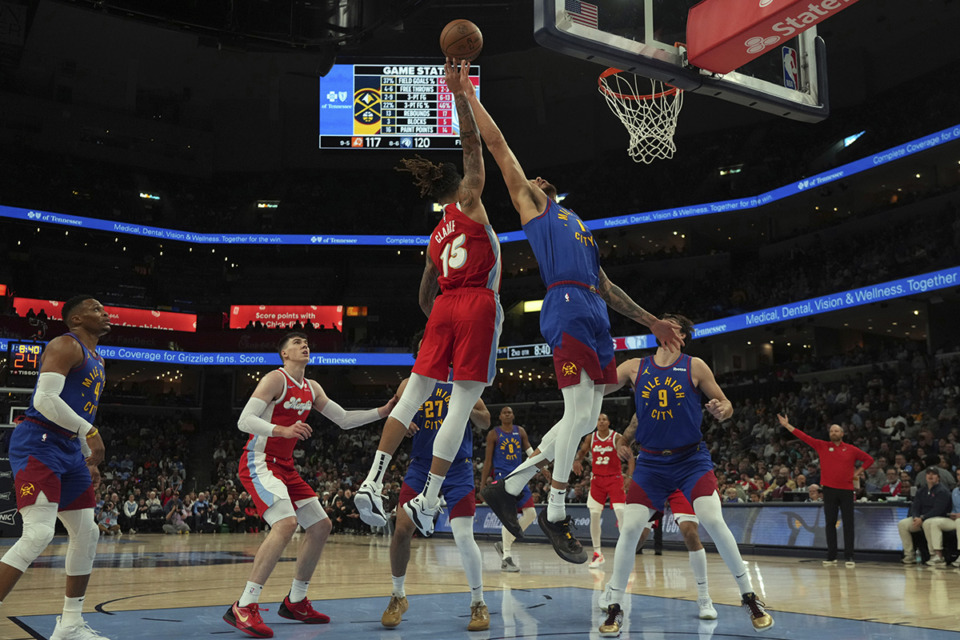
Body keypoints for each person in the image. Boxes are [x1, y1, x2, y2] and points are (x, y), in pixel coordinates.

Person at [460, 56, 683, 564]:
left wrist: (649, 320)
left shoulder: (578, 224)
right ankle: (556, 509)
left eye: (541, 179)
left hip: (593, 309)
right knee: (579, 412)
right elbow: (500, 149)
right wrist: (469, 97)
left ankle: (509, 486)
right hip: (563, 305)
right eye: (530, 180)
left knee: (586, 415)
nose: (534, 178)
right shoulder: (533, 208)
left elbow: (605, 284)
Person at [354, 59, 502, 538]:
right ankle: (432, 495)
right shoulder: (472, 199)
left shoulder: (434, 236)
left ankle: (373, 480)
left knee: (415, 393)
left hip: (441, 308)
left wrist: (442, 321)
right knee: (461, 402)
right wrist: (459, 92)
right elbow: (474, 143)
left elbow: (423, 294)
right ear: (457, 185)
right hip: (476, 302)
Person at [597, 314, 773, 636]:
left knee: (712, 518)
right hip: (650, 464)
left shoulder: (695, 366)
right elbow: (600, 386)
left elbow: (725, 403)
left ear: (681, 334)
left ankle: (749, 596)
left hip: (690, 460)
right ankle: (615, 605)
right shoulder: (635, 366)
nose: (659, 323)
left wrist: (724, 409)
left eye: (669, 322)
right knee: (631, 528)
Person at [223, 331, 397, 638]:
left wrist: (382, 412)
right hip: (259, 461)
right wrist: (282, 430)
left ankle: (296, 601)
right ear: (284, 354)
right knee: (286, 524)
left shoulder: (311, 387)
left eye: (306, 342)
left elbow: (342, 418)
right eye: (296, 343)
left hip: (286, 468)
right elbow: (244, 420)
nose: (304, 345)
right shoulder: (275, 380)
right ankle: (244, 604)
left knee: (320, 526)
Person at [0, 295, 111, 640]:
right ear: (75, 319)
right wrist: (89, 433)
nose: (104, 313)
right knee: (38, 533)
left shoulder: (98, 358)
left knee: (88, 532)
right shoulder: (66, 344)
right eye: (95, 309)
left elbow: (77, 411)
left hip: (67, 448)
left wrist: (84, 455)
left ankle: (70, 624)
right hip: (39, 442)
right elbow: (44, 400)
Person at [380, 372, 491, 632]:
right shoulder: (411, 384)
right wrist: (404, 422)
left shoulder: (462, 382)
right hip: (421, 466)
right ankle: (398, 596)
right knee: (401, 529)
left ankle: (478, 603)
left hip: (457, 467)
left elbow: (485, 421)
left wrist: (467, 410)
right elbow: (394, 413)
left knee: (463, 536)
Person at [776, 414, 874, 567]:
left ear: (842, 434)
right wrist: (788, 426)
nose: (833, 433)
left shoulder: (851, 449)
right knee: (830, 523)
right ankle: (831, 556)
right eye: (831, 431)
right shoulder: (822, 445)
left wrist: (857, 472)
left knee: (848, 523)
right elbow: (804, 437)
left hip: (846, 490)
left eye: (836, 431)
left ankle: (849, 556)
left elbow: (869, 459)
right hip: (829, 489)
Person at [634, 487, 718, 620]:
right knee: (636, 538)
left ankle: (704, 597)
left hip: (680, 481)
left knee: (690, 532)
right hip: (653, 479)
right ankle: (614, 589)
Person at [572, 412, 634, 568]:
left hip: (614, 479)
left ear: (609, 422)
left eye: (604, 419)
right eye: (598, 419)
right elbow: (582, 451)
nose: (600, 421)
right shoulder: (591, 438)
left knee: (621, 513)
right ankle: (597, 553)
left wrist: (629, 476)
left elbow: (630, 457)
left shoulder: (616, 437)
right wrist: (578, 460)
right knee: (594, 515)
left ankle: (626, 552)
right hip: (597, 480)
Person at [480, 406, 537, 572]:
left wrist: (542, 466)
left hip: (519, 475)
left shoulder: (520, 431)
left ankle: (505, 542)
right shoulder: (493, 433)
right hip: (502, 479)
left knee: (531, 513)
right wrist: (483, 485)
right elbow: (488, 460)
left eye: (510, 412)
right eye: (504, 412)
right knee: (510, 517)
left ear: (513, 415)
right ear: (500, 416)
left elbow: (530, 452)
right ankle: (506, 558)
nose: (507, 414)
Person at [897, 467, 952, 565]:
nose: (930, 476)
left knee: (928, 523)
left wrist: (922, 518)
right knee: (902, 524)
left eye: (933, 474)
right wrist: (915, 518)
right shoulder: (921, 491)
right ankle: (909, 554)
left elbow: (938, 510)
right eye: (928, 474)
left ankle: (934, 555)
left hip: (937, 518)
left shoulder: (943, 491)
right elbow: (915, 507)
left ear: (938, 477)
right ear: (925, 476)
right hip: (920, 519)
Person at [922, 467, 960, 566]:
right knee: (930, 522)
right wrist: (950, 514)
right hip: (954, 519)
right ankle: (937, 555)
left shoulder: (944, 490)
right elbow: (952, 508)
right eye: (958, 475)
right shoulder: (955, 491)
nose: (959, 477)